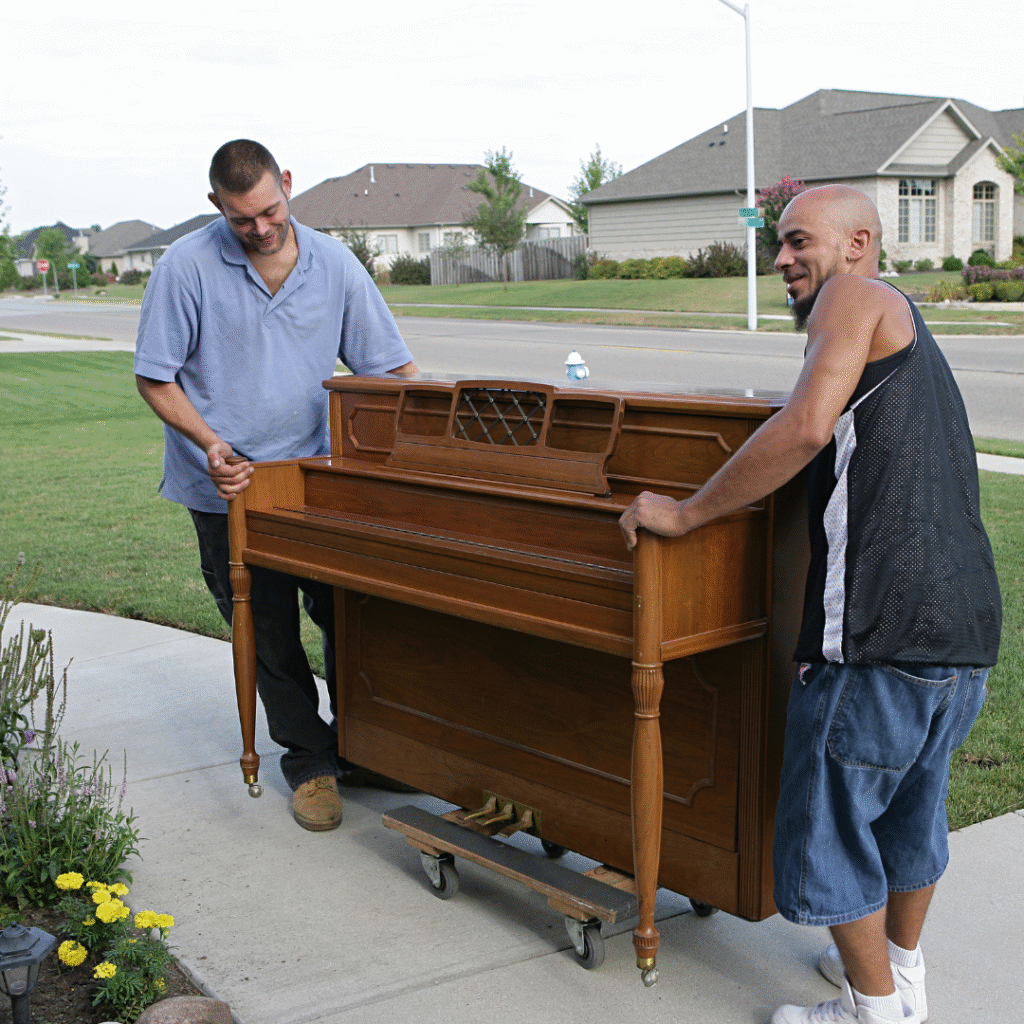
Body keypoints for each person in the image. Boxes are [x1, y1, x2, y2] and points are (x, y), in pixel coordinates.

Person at [619, 185, 1001, 1024]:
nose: (784, 260)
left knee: (829, 834)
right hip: (961, 632)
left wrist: (681, 514)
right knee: (908, 820)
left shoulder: (852, 296)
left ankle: (873, 1011)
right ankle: (902, 978)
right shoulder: (903, 316)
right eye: (778, 246)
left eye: (799, 243)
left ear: (858, 243)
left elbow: (802, 427)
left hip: (880, 633)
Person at [134, 140, 417, 833]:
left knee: (350, 616)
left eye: (269, 211)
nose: (260, 229)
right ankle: (311, 763)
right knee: (266, 631)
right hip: (227, 488)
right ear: (216, 208)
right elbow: (155, 376)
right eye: (241, 220)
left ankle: (365, 744)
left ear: (287, 184)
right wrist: (210, 446)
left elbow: (392, 374)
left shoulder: (335, 264)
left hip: (316, 483)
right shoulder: (186, 268)